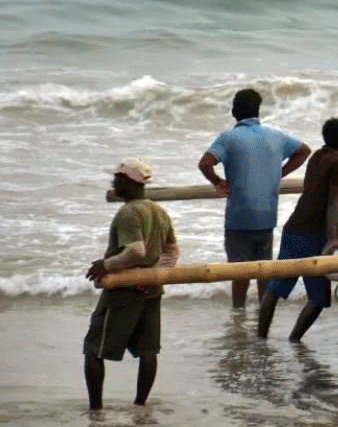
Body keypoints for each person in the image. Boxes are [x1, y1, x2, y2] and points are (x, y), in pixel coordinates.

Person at [199, 88, 311, 309]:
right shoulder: (277, 136)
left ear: (234, 111)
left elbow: (205, 163)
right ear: (257, 112)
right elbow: (304, 151)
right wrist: (280, 172)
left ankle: (238, 316)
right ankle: (263, 318)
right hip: (267, 215)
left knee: (239, 274)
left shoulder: (228, 137)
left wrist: (218, 182)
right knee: (263, 272)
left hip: (239, 217)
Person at [83, 159, 179, 411]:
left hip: (123, 291)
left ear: (127, 182)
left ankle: (95, 410)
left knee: (94, 349)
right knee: (148, 350)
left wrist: (107, 265)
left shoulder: (128, 213)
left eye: (117, 178)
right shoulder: (159, 211)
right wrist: (155, 276)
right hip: (151, 289)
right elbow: (172, 250)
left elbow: (136, 251)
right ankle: (140, 407)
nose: (113, 182)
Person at [257, 117, 338, 341]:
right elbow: (334, 201)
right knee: (319, 297)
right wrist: (333, 238)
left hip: (293, 229)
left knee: (275, 289)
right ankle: (294, 340)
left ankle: (261, 339)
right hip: (313, 235)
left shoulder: (318, 156)